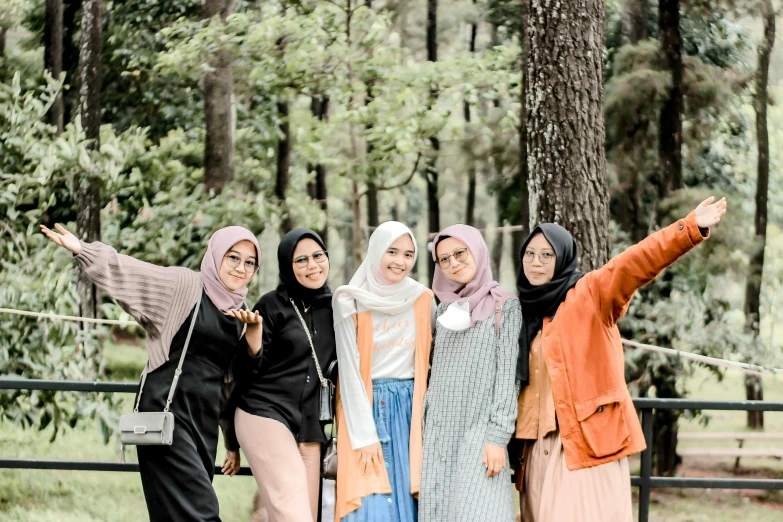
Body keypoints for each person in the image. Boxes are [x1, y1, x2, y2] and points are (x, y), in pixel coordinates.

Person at [514, 196, 728, 521]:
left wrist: (689, 228)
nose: (536, 262)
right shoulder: (520, 311)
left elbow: (635, 263)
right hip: (534, 449)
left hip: (583, 446)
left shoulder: (590, 293)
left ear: (563, 258)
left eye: (547, 254)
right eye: (530, 253)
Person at [39, 223, 263, 522]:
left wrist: (231, 443)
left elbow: (229, 387)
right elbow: (131, 274)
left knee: (174, 515)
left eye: (250, 262)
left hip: (202, 423)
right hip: (166, 417)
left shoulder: (241, 312)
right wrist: (84, 250)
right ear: (216, 254)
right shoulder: (185, 287)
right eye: (233, 257)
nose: (241, 268)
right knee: (202, 513)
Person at [229, 228, 336, 522]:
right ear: (287, 265)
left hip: (310, 424)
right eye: (300, 260)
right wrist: (252, 337)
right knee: (294, 513)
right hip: (264, 413)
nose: (312, 265)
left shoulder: (336, 307)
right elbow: (244, 373)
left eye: (317, 256)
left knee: (306, 516)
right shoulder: (271, 305)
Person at [419, 224, 522, 522]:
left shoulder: (505, 306)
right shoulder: (443, 312)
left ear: (476, 249)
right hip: (439, 437)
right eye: (444, 259)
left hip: (479, 436)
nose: (454, 263)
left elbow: (508, 379)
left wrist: (497, 437)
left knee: (479, 512)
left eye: (460, 253)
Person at [332, 221, 433, 522]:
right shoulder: (348, 299)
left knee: (409, 494)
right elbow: (349, 371)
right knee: (368, 502)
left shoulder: (422, 298)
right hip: (365, 405)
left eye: (408, 254)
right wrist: (364, 435)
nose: (400, 262)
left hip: (410, 410)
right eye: (392, 252)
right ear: (376, 251)